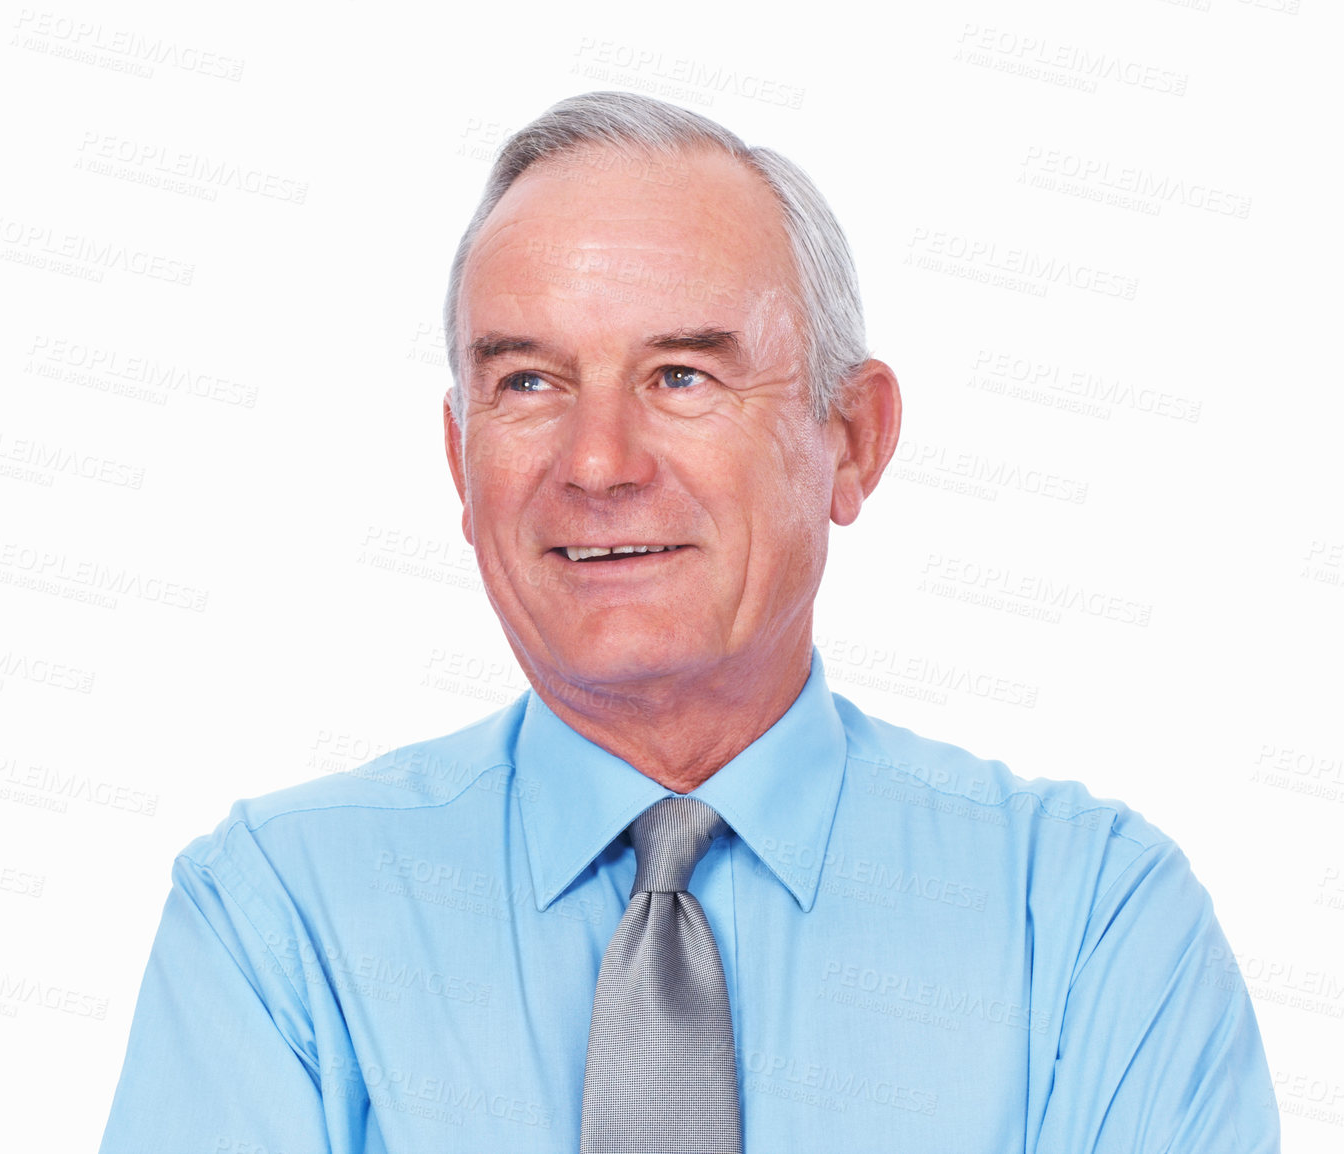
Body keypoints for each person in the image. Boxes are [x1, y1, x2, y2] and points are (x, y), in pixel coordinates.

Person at [97, 92, 1278, 1153]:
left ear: (852, 440)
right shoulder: (278, 919)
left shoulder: (1085, 924)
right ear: (460, 461)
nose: (598, 462)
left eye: (680, 376)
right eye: (527, 383)